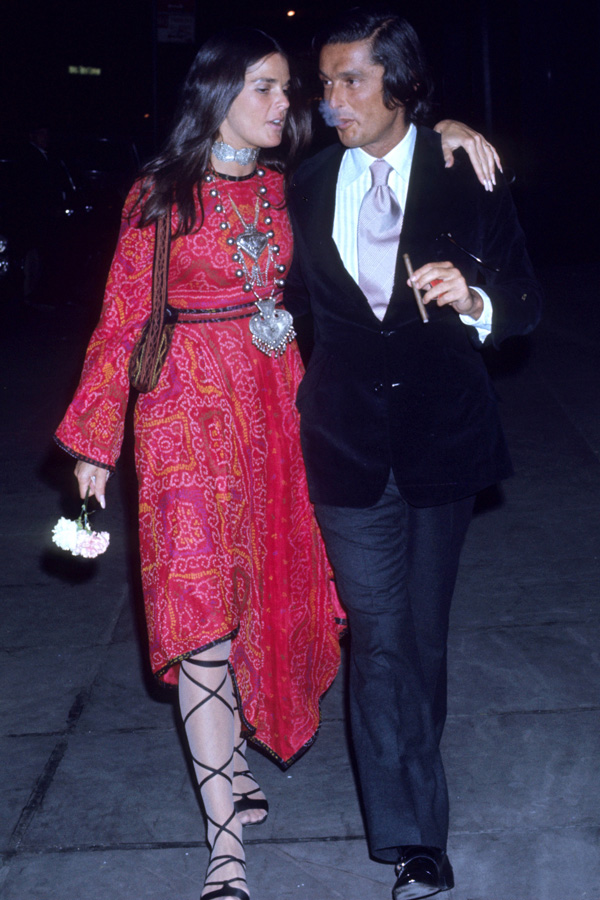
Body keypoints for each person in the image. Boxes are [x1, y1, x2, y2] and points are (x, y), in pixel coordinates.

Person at [55, 25, 508, 900]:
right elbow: (121, 320)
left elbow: (390, 163)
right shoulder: (160, 196)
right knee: (201, 620)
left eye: (286, 89)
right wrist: (93, 443)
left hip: (280, 412)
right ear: (217, 95)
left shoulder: (284, 188)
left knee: (270, 593)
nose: (286, 103)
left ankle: (232, 760)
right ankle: (225, 847)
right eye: (264, 87)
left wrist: (444, 129)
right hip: (185, 416)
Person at [284, 9, 542, 900]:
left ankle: (411, 784)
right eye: (325, 83)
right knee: (382, 643)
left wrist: (474, 299)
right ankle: (414, 842)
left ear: (401, 85)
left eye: (350, 80)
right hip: (345, 447)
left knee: (419, 643)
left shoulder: (465, 173)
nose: (332, 100)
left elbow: (526, 303)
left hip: (442, 449)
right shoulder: (307, 184)